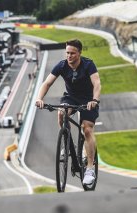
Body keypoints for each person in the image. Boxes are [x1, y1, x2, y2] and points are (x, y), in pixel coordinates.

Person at [36, 39, 101, 186]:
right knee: (61, 113)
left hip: (88, 100)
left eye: (72, 53)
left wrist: (95, 100)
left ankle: (90, 168)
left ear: (79, 53)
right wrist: (39, 99)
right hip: (71, 97)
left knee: (87, 129)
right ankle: (66, 142)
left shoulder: (88, 65)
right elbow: (47, 83)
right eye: (67, 53)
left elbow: (97, 83)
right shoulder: (62, 65)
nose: (69, 56)